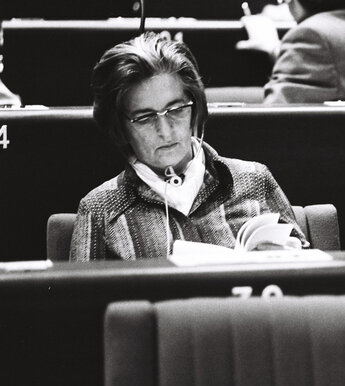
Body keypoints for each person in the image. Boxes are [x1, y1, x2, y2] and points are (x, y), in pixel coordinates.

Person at [70, 33, 307, 261]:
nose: (165, 130)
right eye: (144, 117)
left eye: (175, 110)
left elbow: (311, 280)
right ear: (120, 127)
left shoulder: (254, 180)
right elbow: (82, 301)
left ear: (196, 109)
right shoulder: (100, 210)